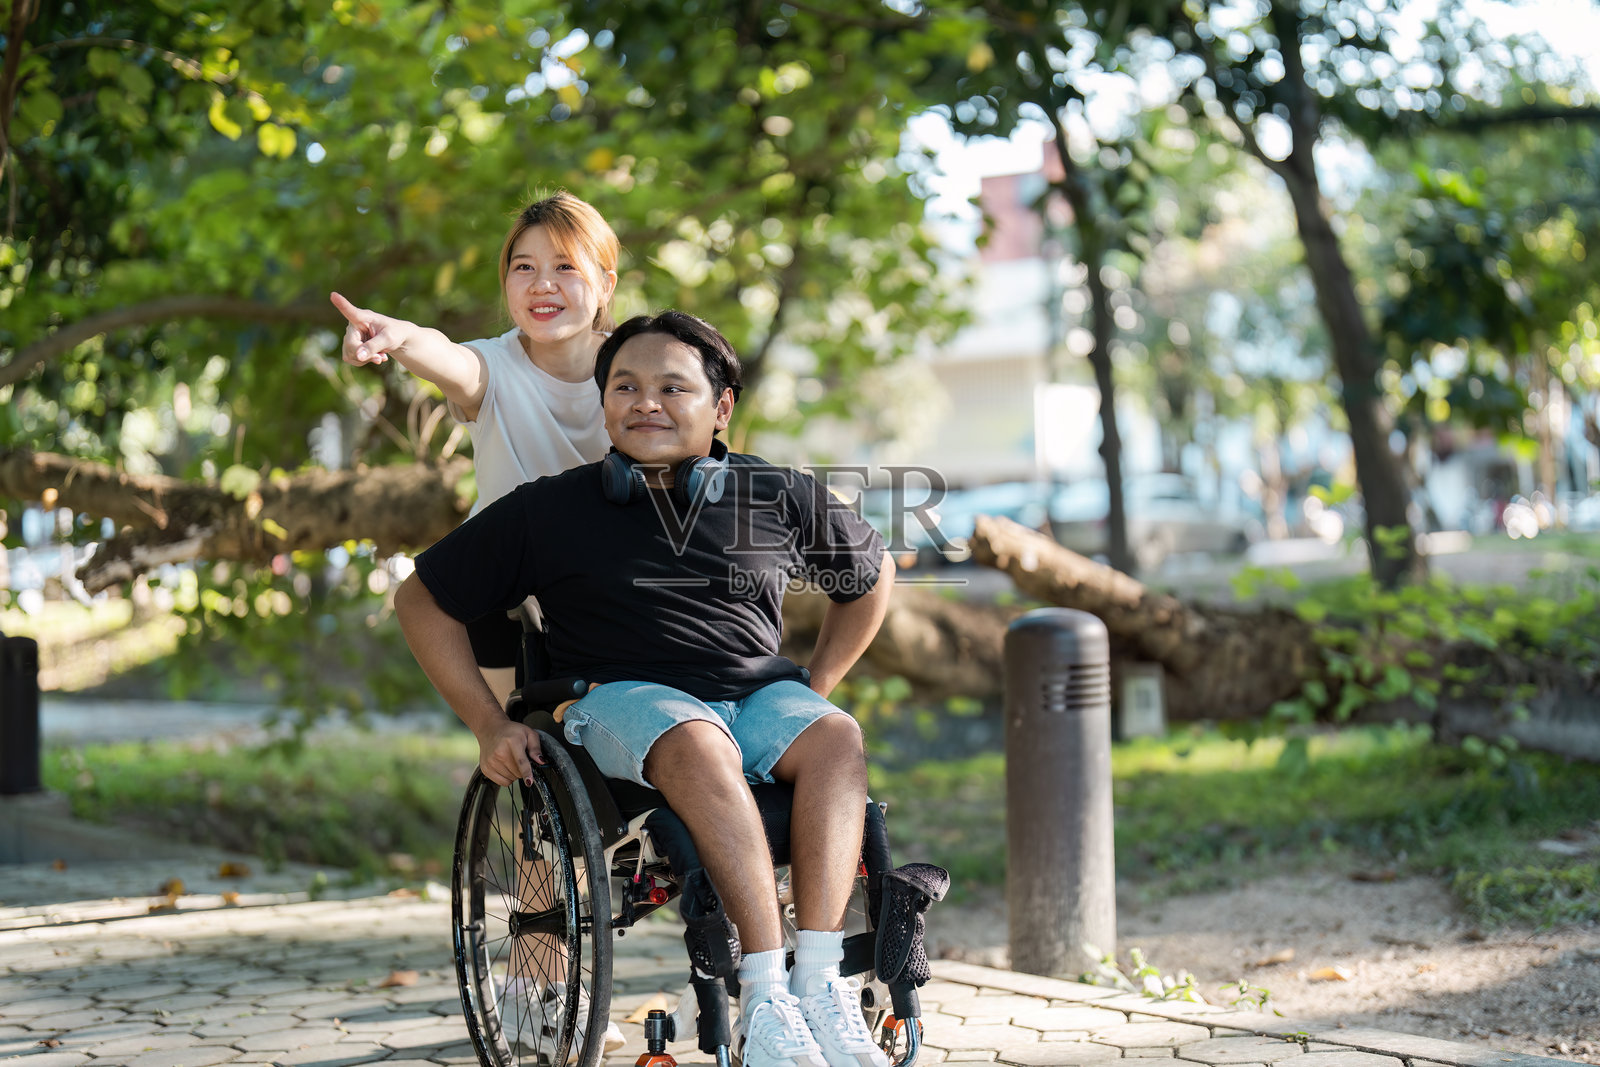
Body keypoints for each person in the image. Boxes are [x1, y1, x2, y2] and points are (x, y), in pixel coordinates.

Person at [395, 310, 897, 1067]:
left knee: (835, 733)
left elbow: (870, 574)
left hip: (757, 699)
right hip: (621, 700)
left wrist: (817, 685)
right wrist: (487, 724)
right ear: (603, 405)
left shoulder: (773, 490)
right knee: (696, 737)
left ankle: (820, 984)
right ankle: (766, 995)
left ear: (720, 406)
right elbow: (420, 599)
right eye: (625, 386)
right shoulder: (549, 509)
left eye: (672, 386)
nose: (646, 402)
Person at [331, 190, 620, 709]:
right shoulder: (493, 367)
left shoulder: (638, 367)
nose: (542, 285)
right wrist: (395, 336)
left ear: (605, 284)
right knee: (531, 751)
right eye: (524, 267)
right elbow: (443, 355)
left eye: (564, 266)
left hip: (615, 595)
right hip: (510, 605)